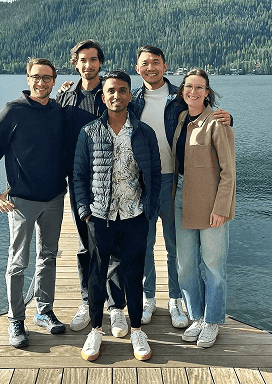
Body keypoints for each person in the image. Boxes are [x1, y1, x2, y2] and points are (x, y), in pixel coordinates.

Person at [129, 46, 232, 327]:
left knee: (177, 249)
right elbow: (103, 104)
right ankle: (149, 298)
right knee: (144, 245)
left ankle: (176, 302)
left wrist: (228, 118)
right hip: (141, 182)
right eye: (144, 63)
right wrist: (68, 91)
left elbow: (205, 116)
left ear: (165, 65)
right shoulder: (131, 99)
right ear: (137, 68)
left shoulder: (179, 98)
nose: (150, 68)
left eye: (156, 62)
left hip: (174, 182)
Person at [0, 58, 67, 348]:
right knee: (18, 262)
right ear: (28, 79)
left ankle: (44, 311)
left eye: (47, 78)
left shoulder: (57, 111)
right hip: (21, 201)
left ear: (54, 81)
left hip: (54, 197)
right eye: (36, 77)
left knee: (49, 256)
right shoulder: (13, 110)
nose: (41, 83)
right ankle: (16, 320)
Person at [73, 71, 161, 361]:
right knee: (97, 273)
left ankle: (136, 329)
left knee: (134, 273)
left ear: (129, 95)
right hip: (100, 215)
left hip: (135, 214)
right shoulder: (89, 132)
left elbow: (155, 174)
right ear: (103, 96)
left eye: (123, 90)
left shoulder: (143, 132)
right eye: (111, 91)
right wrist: (85, 211)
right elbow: (79, 175)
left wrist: (150, 209)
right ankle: (96, 329)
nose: (116, 96)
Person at [56, 40, 128, 338]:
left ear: (100, 62)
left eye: (94, 60)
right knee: (87, 243)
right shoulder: (66, 98)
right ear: (76, 63)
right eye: (83, 60)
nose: (89, 65)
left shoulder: (110, 94)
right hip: (79, 181)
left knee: (112, 245)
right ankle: (88, 302)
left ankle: (115, 308)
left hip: (111, 180)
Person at [172, 68, 235, 348]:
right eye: (189, 87)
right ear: (182, 90)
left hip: (210, 203)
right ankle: (196, 316)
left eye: (199, 87)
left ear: (207, 92)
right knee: (185, 265)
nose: (193, 92)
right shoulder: (182, 117)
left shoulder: (218, 122)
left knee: (213, 265)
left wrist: (221, 207)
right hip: (180, 200)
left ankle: (212, 321)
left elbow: (228, 171)